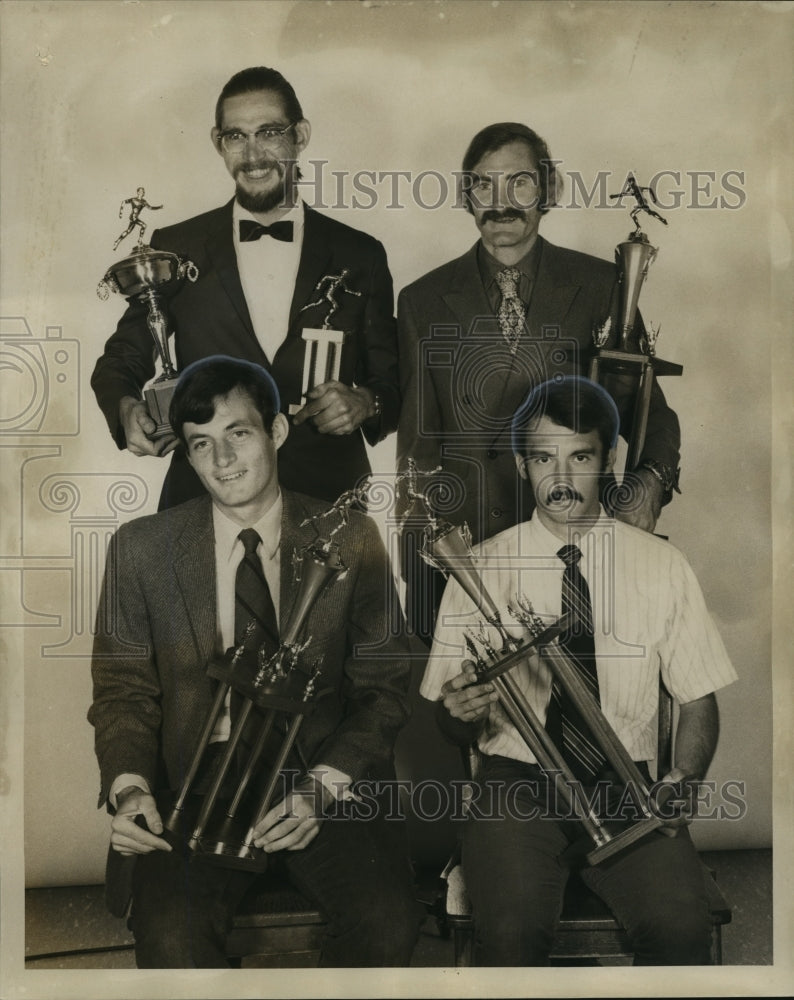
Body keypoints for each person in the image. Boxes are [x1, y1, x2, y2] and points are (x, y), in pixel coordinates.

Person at [88, 356, 421, 967]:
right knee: (173, 939)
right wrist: (130, 788)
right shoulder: (139, 549)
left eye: (238, 433)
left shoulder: (353, 537)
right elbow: (122, 692)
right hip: (195, 785)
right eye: (201, 444)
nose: (222, 460)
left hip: (318, 774)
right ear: (187, 456)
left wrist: (323, 787)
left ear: (277, 431)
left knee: (387, 925)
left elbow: (385, 689)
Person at [420, 376, 736, 966]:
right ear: (522, 465)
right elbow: (450, 724)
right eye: (544, 458)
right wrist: (457, 712)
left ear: (608, 459)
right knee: (511, 936)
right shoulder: (477, 566)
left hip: (626, 784)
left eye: (580, 457)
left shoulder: (663, 565)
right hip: (514, 788)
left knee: (678, 930)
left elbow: (698, 699)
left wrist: (687, 779)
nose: (561, 478)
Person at [396, 122, 681, 643]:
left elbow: (650, 413)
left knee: (580, 686)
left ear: (549, 190)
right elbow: (417, 453)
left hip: (575, 548)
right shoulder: (422, 300)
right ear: (466, 196)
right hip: (470, 562)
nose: (500, 203)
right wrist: (419, 575)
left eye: (519, 183)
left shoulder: (602, 286)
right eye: (483, 185)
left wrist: (651, 481)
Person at [92, 66, 400, 510]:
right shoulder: (176, 248)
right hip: (205, 494)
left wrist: (365, 402)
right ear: (218, 142)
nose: (253, 155)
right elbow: (122, 357)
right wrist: (124, 408)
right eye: (236, 136)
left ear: (300, 135)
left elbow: (391, 380)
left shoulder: (360, 254)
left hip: (329, 496)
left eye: (269, 133)